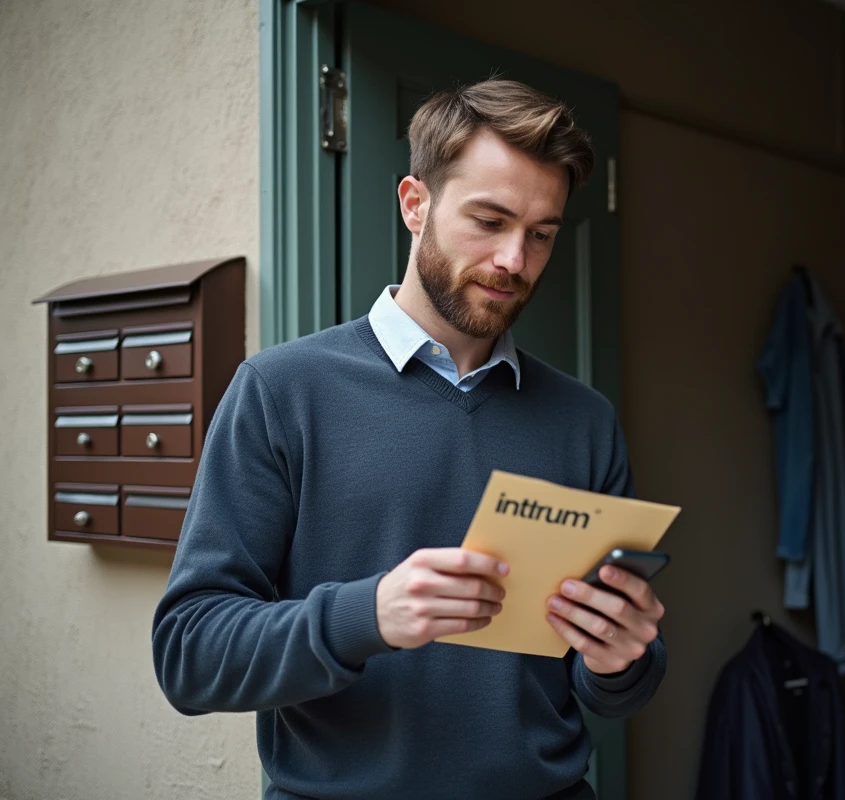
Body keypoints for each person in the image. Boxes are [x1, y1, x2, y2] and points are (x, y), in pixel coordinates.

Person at [151, 79, 667, 800]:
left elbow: (609, 692)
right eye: (489, 221)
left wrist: (621, 659)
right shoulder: (280, 391)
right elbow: (189, 656)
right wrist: (364, 616)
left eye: (541, 234)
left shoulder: (584, 421)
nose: (515, 261)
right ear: (414, 204)